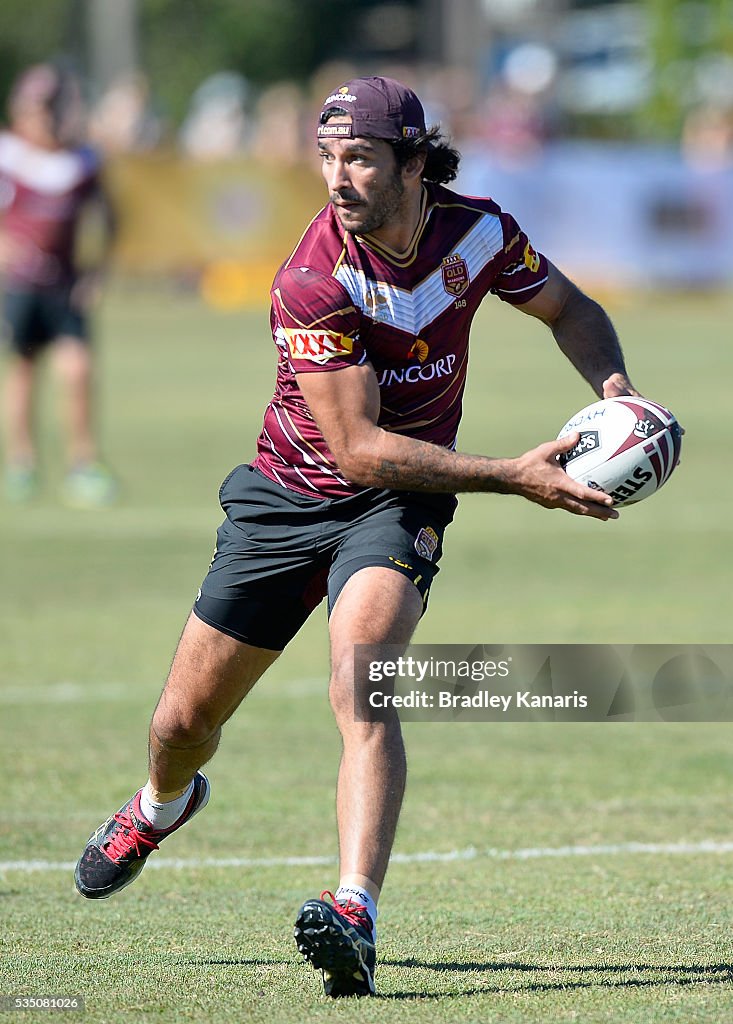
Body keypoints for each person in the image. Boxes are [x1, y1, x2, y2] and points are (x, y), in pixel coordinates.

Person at [74, 76, 640, 997]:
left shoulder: (479, 231)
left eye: (361, 157)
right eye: (327, 156)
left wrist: (619, 398)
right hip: (293, 495)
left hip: (397, 505)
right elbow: (361, 449)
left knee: (364, 677)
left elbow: (570, 309)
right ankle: (160, 805)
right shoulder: (311, 277)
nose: (337, 177)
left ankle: (353, 910)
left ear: (414, 164)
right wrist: (514, 476)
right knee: (182, 725)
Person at [0, 63, 117, 506]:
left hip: (64, 285)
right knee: (24, 372)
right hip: (21, 284)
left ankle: (83, 463)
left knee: (77, 369)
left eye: (53, 108)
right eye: (38, 108)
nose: (47, 117)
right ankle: (22, 462)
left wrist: (96, 270)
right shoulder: (9, 154)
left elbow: (109, 219)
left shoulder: (82, 160)